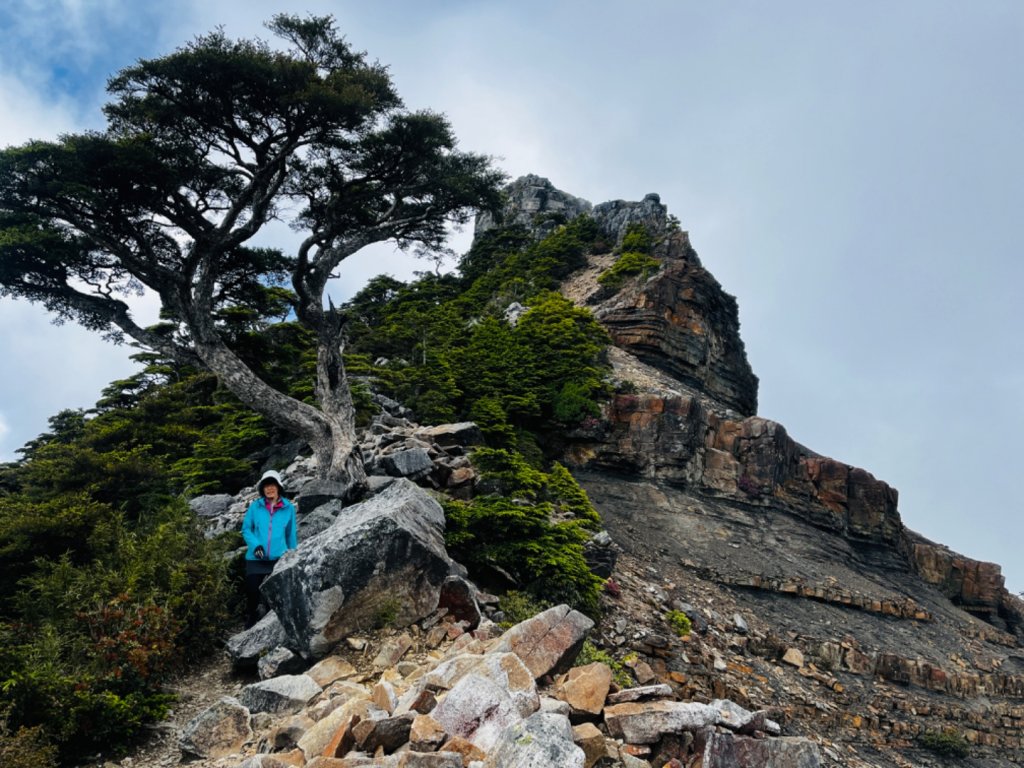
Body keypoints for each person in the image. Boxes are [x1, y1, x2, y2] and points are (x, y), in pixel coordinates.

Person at [241, 469, 298, 628]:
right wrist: (255, 545)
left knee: (278, 592)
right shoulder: (255, 507)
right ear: (262, 489)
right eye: (266, 486)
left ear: (279, 486)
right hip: (256, 557)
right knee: (252, 590)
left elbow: (290, 534)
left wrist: (293, 555)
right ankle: (251, 617)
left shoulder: (289, 508)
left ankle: (275, 621)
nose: (269, 488)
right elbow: (246, 529)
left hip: (278, 558)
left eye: (272, 485)